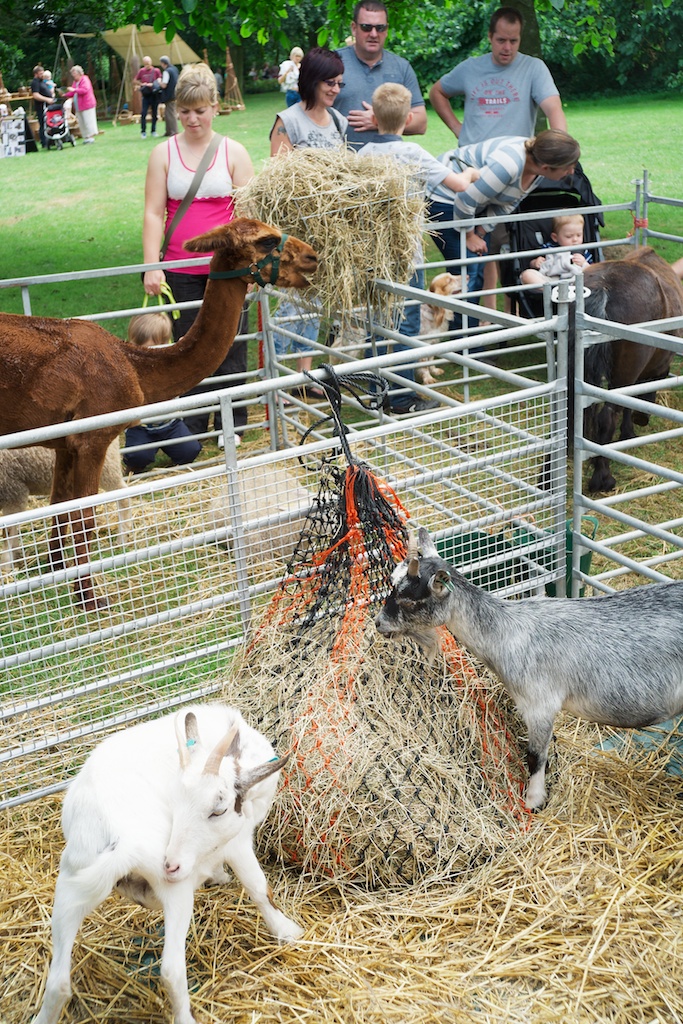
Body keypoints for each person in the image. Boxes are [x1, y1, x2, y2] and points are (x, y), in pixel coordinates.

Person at [141, 63, 255, 447]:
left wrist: (248, 264)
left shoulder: (233, 152)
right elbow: (154, 211)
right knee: (188, 344)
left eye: (200, 110)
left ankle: (231, 424)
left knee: (230, 342)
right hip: (180, 266)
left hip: (226, 269)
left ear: (215, 108)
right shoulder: (163, 153)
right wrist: (151, 265)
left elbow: (247, 217)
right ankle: (192, 423)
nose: (192, 118)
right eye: (185, 110)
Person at [429, 7, 568, 311]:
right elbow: (437, 91)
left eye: (514, 41)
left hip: (515, 169)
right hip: (471, 169)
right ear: (490, 38)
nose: (507, 48)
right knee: (474, 248)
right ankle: (482, 317)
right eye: (501, 40)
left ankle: (499, 313)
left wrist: (559, 149)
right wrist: (458, 128)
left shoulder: (533, 68)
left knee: (496, 241)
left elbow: (554, 109)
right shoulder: (470, 68)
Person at [357, 83, 479, 413]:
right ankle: (401, 397)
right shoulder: (412, 154)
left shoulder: (363, 155)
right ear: (409, 118)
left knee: (377, 323)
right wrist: (471, 171)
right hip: (405, 256)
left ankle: (375, 393)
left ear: (374, 115)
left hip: (372, 255)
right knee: (407, 324)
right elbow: (458, 185)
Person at [428, 129, 580, 321]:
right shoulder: (508, 166)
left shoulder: (538, 168)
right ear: (546, 166)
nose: (571, 172)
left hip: (475, 204)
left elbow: (509, 203)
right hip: (446, 198)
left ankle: (469, 341)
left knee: (476, 272)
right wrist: (468, 235)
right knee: (467, 276)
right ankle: (463, 346)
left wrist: (481, 231)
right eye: (568, 167)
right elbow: (465, 198)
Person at [270, 48, 349, 388]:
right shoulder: (287, 121)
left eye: (339, 84)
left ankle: (305, 377)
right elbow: (277, 178)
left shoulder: (339, 121)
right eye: (329, 83)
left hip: (328, 233)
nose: (335, 90)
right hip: (295, 232)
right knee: (289, 306)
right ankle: (277, 381)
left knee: (315, 305)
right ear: (312, 81)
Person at [334, 0, 426, 150]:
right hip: (339, 166)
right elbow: (310, 113)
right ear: (353, 28)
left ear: (387, 30)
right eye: (366, 27)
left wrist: (379, 121)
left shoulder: (401, 67)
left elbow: (421, 123)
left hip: (388, 168)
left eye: (380, 28)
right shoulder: (333, 63)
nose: (374, 34)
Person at [123, 311, 202, 473]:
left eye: (152, 348)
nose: (146, 354)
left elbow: (189, 368)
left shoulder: (171, 362)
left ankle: (175, 450)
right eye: (139, 348)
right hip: (142, 426)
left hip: (170, 423)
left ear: (166, 343)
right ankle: (135, 461)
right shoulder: (131, 365)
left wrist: (184, 353)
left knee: (190, 450)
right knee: (137, 456)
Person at [520, 213, 593, 288]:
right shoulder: (548, 248)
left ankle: (566, 291)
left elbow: (592, 269)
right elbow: (534, 263)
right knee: (527, 275)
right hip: (551, 281)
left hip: (574, 280)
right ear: (555, 237)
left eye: (579, 235)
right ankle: (552, 292)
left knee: (591, 275)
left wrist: (584, 263)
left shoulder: (583, 250)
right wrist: (535, 263)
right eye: (569, 236)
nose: (575, 239)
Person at [63, 65, 98, 145]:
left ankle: (90, 137)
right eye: (73, 74)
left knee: (88, 121)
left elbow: (84, 90)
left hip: (87, 104)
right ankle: (86, 137)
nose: (73, 76)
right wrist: (65, 94)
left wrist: (74, 90)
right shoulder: (75, 82)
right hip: (79, 105)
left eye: (74, 74)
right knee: (81, 121)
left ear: (79, 73)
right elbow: (73, 92)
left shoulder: (85, 79)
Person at [134, 55, 162, 139]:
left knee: (154, 113)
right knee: (143, 113)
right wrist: (142, 84)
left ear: (151, 63)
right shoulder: (141, 71)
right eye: (146, 64)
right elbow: (135, 80)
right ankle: (143, 131)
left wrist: (153, 84)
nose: (147, 65)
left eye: (148, 63)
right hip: (145, 95)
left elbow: (160, 80)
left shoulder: (156, 70)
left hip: (154, 94)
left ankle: (153, 130)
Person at [30, 65, 52, 148]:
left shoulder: (42, 81)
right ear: (36, 74)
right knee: (43, 124)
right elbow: (36, 95)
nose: (42, 75)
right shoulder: (35, 82)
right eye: (41, 73)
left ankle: (50, 140)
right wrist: (47, 99)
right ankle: (44, 142)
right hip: (41, 106)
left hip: (47, 105)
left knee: (48, 123)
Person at [158, 56, 179, 137]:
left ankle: (174, 131)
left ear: (163, 63)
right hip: (175, 93)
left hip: (169, 95)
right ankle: (168, 131)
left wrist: (159, 82)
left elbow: (164, 85)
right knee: (168, 114)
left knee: (171, 114)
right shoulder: (175, 69)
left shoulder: (167, 71)